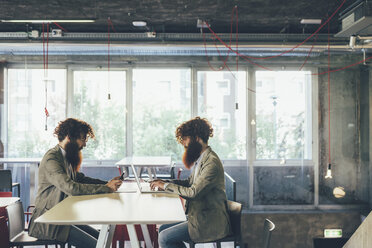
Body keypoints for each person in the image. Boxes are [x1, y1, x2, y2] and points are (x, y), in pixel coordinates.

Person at [28, 118, 122, 247]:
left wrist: (108, 183)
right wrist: (106, 188)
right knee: (97, 245)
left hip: (62, 218)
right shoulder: (52, 158)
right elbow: (71, 188)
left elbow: (80, 179)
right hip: (49, 223)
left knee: (102, 239)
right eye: (82, 139)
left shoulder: (65, 157)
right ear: (69, 137)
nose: (84, 145)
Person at [150, 116, 231, 248]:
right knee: (162, 229)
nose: (184, 144)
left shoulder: (211, 163)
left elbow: (193, 193)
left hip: (209, 223)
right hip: (200, 217)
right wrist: (165, 181)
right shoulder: (202, 158)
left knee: (165, 238)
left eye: (186, 139)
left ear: (197, 138)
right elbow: (189, 182)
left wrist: (165, 186)